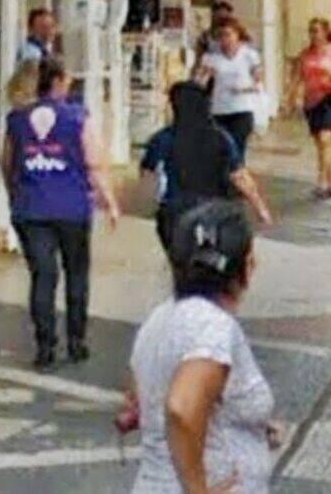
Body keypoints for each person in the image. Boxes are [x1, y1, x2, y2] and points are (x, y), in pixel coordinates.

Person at [129, 201, 281, 494]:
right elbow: (181, 408)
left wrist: (252, 426)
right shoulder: (213, 327)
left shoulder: (161, 317)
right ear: (246, 266)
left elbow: (140, 399)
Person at [1, 58, 119, 370]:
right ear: (56, 82)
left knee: (43, 277)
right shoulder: (78, 116)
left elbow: (7, 163)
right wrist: (109, 200)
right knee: (76, 273)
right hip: (72, 206)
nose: (69, 85)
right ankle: (77, 341)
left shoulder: (16, 119)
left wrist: (16, 195)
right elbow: (93, 161)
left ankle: (44, 346)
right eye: (66, 80)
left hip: (32, 207)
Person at [141, 81, 272, 252]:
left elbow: (148, 175)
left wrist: (154, 199)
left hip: (177, 208)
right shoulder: (221, 137)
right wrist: (260, 208)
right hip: (214, 208)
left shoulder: (163, 139)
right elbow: (239, 176)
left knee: (177, 252)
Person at [291, 18, 331, 197]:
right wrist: (291, 99)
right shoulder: (305, 54)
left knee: (326, 138)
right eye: (311, 31)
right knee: (321, 144)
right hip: (312, 102)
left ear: (325, 32)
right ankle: (330, 181)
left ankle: (322, 181)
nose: (313, 34)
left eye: (317, 30)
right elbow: (297, 78)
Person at [200, 17, 264, 162]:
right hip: (220, 110)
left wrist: (244, 89)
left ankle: (237, 179)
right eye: (221, 35)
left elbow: (258, 81)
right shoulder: (212, 58)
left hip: (242, 109)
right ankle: (223, 180)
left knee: (236, 147)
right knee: (220, 149)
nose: (225, 39)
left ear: (237, 35)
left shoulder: (249, 55)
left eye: (228, 34)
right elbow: (202, 80)